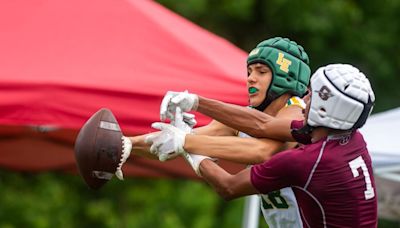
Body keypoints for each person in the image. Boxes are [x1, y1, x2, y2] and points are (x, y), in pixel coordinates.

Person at [148, 64, 378, 227]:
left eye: (312, 95)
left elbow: (228, 187)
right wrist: (197, 102)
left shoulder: (308, 161)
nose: (305, 99)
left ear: (326, 110)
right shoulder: (348, 138)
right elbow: (264, 125)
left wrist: (185, 144)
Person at [129, 37, 311, 227]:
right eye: (249, 71)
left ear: (287, 77)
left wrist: (185, 141)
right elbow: (167, 140)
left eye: (261, 71)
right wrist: (125, 145)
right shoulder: (249, 117)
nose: (250, 78)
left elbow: (260, 151)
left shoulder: (297, 114)